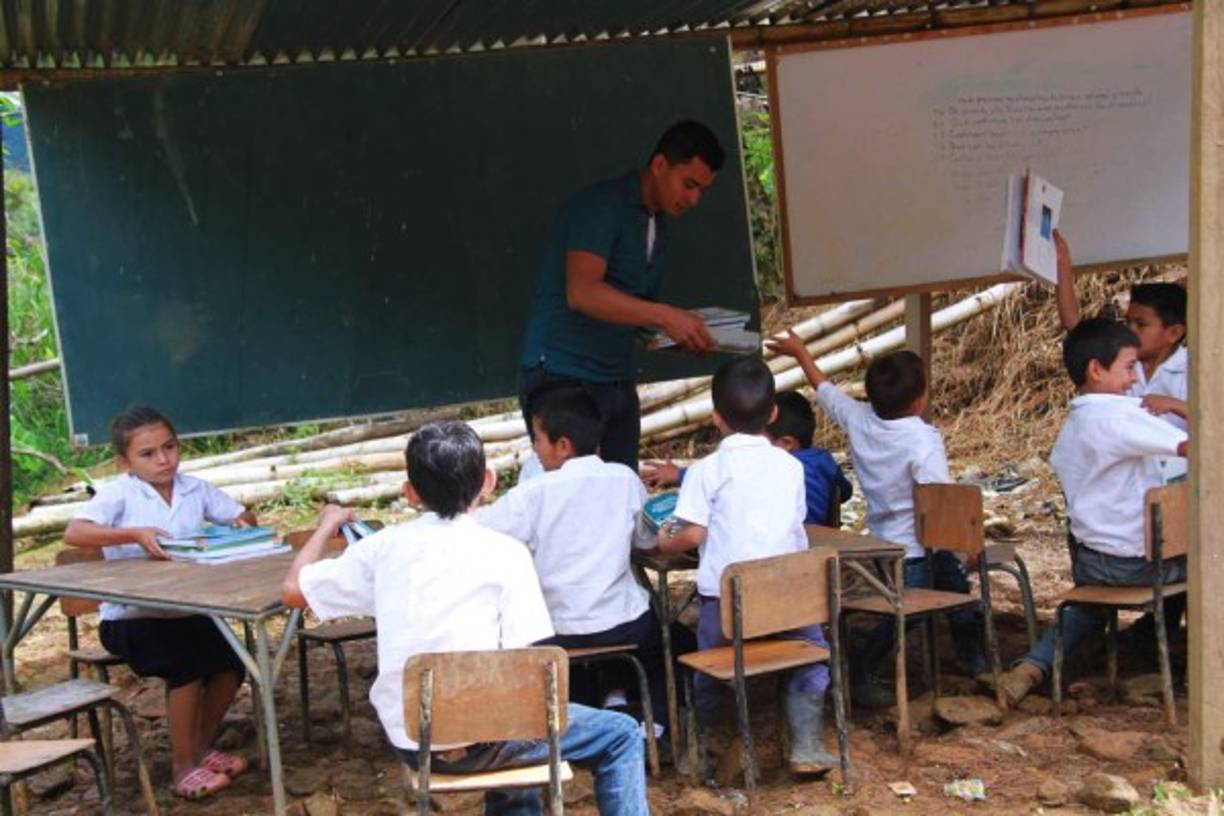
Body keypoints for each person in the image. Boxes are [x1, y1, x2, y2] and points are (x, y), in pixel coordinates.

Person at [282, 421, 648, 816]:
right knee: (622, 735)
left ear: (410, 492)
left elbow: (293, 592)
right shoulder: (506, 553)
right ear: (488, 482)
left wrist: (325, 527)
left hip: (413, 739)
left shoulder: (381, 549)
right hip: (490, 735)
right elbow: (529, 657)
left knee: (514, 730)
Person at [767, 330, 986, 708]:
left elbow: (823, 389)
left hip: (883, 539)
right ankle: (864, 663)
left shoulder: (859, 419)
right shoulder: (922, 440)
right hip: (920, 545)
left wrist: (800, 351)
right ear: (920, 401)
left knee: (951, 594)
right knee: (911, 611)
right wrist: (966, 545)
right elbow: (942, 501)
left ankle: (971, 655)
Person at [657, 354, 838, 773]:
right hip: (788, 600)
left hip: (726, 611)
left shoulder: (706, 470)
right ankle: (806, 745)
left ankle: (706, 742)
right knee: (814, 655)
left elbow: (692, 535)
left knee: (709, 671)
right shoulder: (791, 467)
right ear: (773, 414)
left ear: (716, 417)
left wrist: (666, 539)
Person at [64, 405, 254, 800]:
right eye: (148, 454)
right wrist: (132, 534)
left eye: (170, 447)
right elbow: (75, 533)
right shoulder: (117, 494)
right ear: (125, 462)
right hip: (132, 617)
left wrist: (241, 524)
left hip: (186, 610)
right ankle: (181, 768)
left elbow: (241, 517)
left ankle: (200, 749)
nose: (164, 459)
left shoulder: (194, 489)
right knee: (186, 665)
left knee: (232, 665)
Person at [998, 319, 1189, 704]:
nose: (1135, 379)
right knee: (1206, 563)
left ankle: (1029, 668)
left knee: (1089, 607)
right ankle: (1182, 668)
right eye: (1128, 367)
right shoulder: (1117, 415)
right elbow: (1195, 446)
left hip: (1091, 560)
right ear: (1096, 370)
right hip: (1134, 567)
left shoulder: (1077, 420)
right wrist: (1179, 407)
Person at [518, 120, 726, 471]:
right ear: (659, 166)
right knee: (572, 501)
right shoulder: (600, 207)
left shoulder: (658, 225)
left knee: (620, 488)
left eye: (702, 191)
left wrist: (675, 336)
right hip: (564, 373)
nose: (693, 199)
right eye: (689, 184)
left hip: (615, 377)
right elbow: (582, 293)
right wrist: (666, 317)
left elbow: (637, 315)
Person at [477, 383, 672, 752]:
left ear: (563, 445)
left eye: (537, 439)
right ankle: (656, 727)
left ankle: (586, 723)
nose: (534, 449)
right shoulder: (624, 479)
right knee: (664, 640)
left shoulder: (530, 496)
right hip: (622, 625)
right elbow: (647, 540)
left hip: (557, 632)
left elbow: (478, 533)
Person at [1054, 231, 1187, 477]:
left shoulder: (1196, 368)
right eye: (1128, 322)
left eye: (1141, 324)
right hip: (1133, 483)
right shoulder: (1118, 361)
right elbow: (1077, 328)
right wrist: (1062, 265)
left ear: (1174, 332)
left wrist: (1176, 406)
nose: (1130, 330)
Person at [642, 390, 852, 526]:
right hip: (819, 550)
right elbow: (844, 492)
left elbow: (726, 473)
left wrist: (679, 475)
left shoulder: (773, 466)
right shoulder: (824, 460)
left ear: (786, 443)